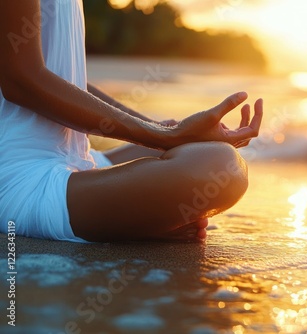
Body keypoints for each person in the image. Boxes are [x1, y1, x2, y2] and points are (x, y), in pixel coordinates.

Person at [0, 1, 263, 243]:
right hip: (17, 175)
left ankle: (135, 216)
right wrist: (162, 136)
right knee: (221, 168)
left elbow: (67, 82)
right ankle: (137, 223)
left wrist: (165, 130)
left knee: (198, 147)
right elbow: (20, 80)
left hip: (74, 158)